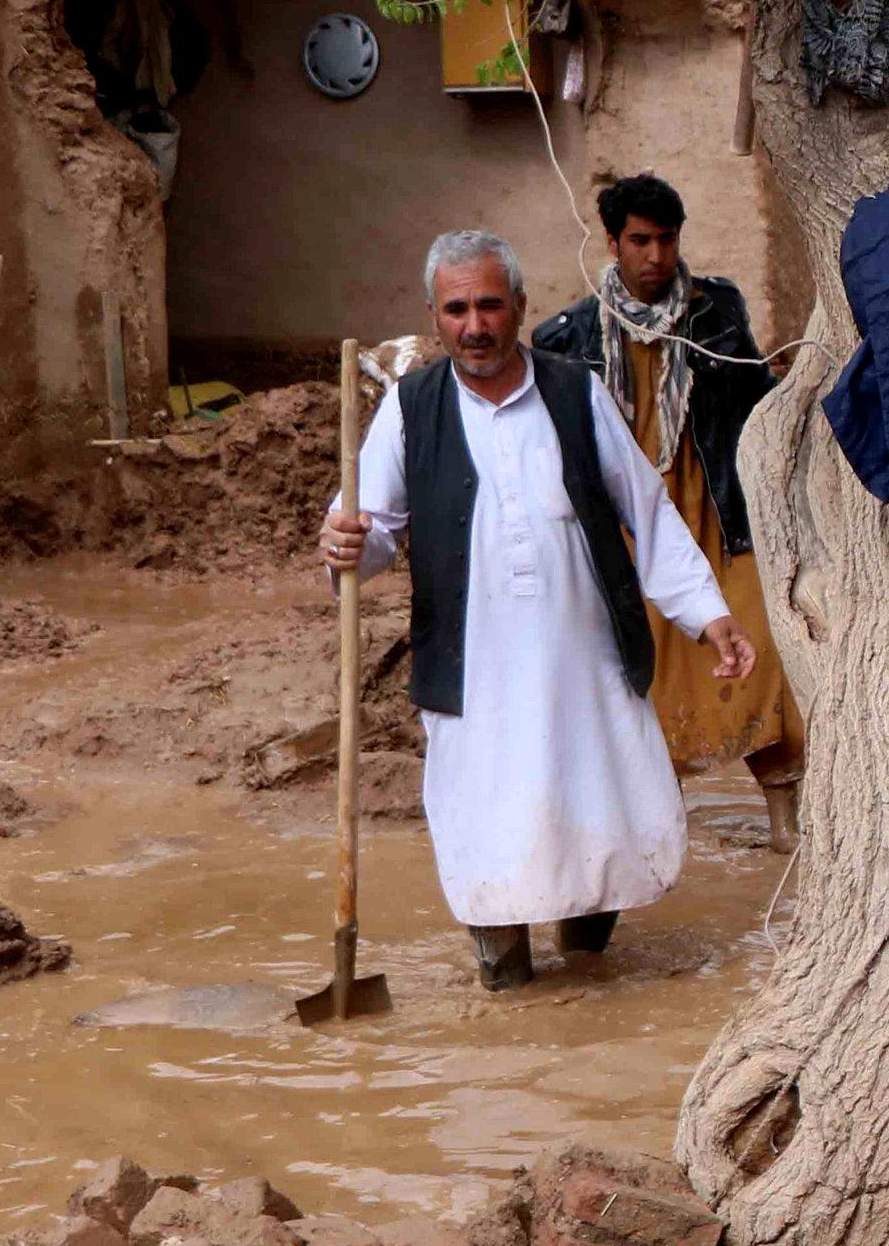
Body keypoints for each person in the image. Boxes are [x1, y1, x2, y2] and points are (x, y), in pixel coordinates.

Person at [316, 231, 755, 992]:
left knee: (598, 815)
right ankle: (506, 976)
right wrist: (346, 543)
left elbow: (644, 511)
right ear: (434, 316)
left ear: (521, 306)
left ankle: (589, 971)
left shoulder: (574, 392)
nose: (475, 325)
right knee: (488, 826)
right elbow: (372, 533)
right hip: (473, 669)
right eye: (457, 309)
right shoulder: (409, 410)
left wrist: (707, 614)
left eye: (490, 304)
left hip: (583, 662)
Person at [532, 174, 806, 851]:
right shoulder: (566, 337)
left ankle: (783, 824)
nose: (655, 255)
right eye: (640, 240)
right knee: (641, 675)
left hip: (715, 515)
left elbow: (754, 405)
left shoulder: (716, 314)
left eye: (667, 239)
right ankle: (660, 830)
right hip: (625, 533)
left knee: (760, 654)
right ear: (613, 241)